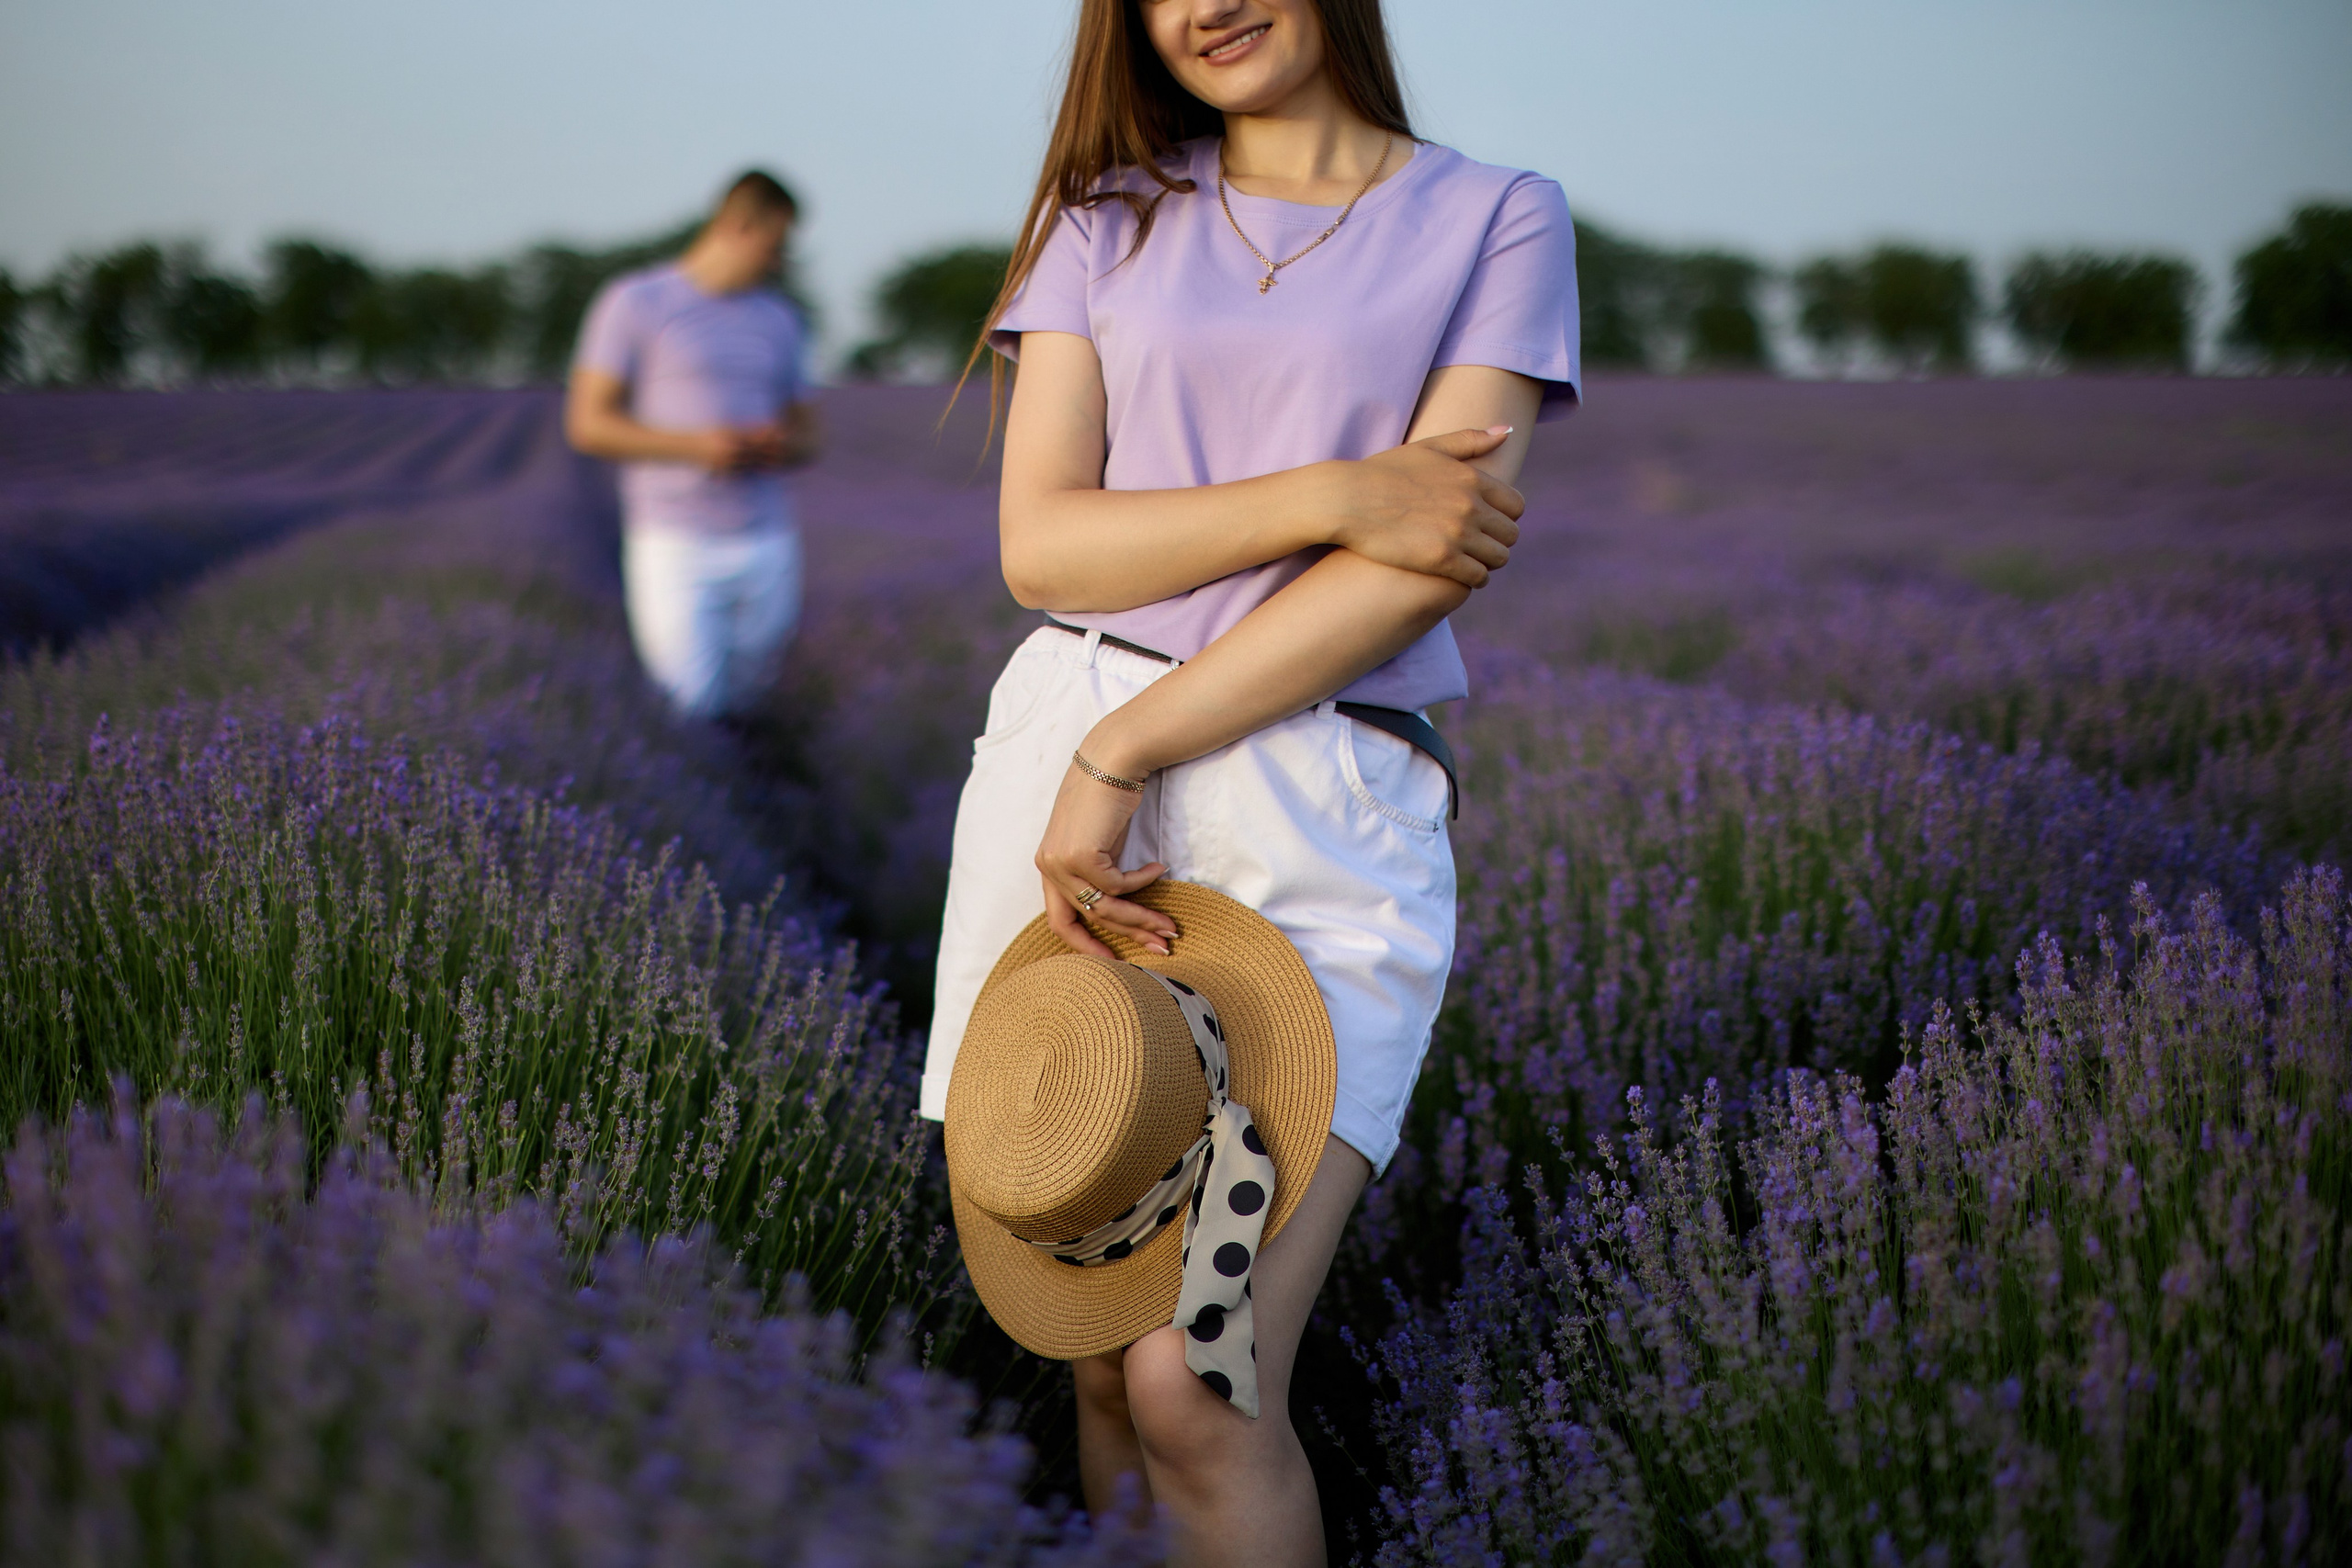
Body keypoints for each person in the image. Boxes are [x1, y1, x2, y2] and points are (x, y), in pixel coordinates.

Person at [922, 2, 1578, 1562]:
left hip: (1311, 809)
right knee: (1094, 1354)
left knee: (1195, 1385)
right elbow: (1046, 545)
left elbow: (1426, 566)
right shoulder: (1106, 216)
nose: (1205, 3)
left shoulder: (1496, 212)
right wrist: (1339, 490)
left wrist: (1127, 750)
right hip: (1062, 780)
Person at [565, 170, 820, 719]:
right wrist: (700, 448)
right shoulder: (635, 303)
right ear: (737, 224)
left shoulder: (780, 318)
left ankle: (746, 794)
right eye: (775, 246)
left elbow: (809, 433)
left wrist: (778, 443)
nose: (779, 262)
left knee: (755, 699)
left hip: (766, 535)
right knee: (689, 702)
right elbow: (588, 423)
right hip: (674, 539)